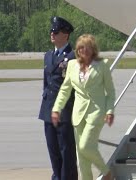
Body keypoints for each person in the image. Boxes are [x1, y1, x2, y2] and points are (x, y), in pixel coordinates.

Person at [52, 34, 115, 180]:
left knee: (85, 146)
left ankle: (107, 173)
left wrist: (110, 110)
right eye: (80, 47)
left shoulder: (102, 65)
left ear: (93, 49)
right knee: (82, 159)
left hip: (96, 112)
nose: (83, 50)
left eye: (87, 47)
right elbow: (65, 89)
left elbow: (110, 92)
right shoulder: (72, 65)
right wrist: (57, 108)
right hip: (78, 114)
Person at [38, 16, 77, 180]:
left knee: (66, 154)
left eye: (56, 31)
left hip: (64, 113)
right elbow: (46, 84)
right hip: (48, 111)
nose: (52, 34)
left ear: (66, 35)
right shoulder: (48, 56)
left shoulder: (74, 57)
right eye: (51, 31)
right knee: (53, 152)